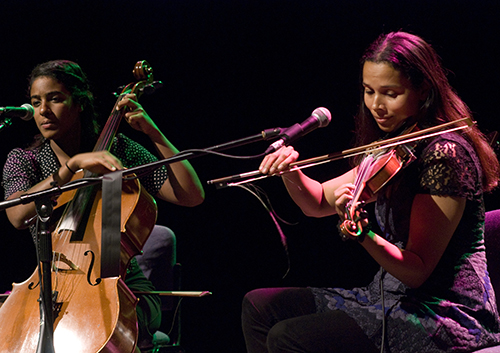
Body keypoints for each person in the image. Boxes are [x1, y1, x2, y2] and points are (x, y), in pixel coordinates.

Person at [241, 31, 500, 352]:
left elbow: (417, 271)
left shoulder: (445, 155)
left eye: (391, 93)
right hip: (389, 297)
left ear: (423, 89)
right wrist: (290, 171)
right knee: (260, 308)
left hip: (442, 312)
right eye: (368, 91)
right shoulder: (398, 145)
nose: (377, 105)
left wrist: (365, 235)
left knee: (289, 336)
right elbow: (319, 202)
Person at [1, 60, 205, 349]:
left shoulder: (117, 150)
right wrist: (72, 167)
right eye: (36, 102)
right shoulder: (25, 159)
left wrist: (152, 132)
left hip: (117, 285)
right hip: (46, 285)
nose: (43, 111)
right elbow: (17, 215)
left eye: (55, 99)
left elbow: (191, 195)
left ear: (80, 102)